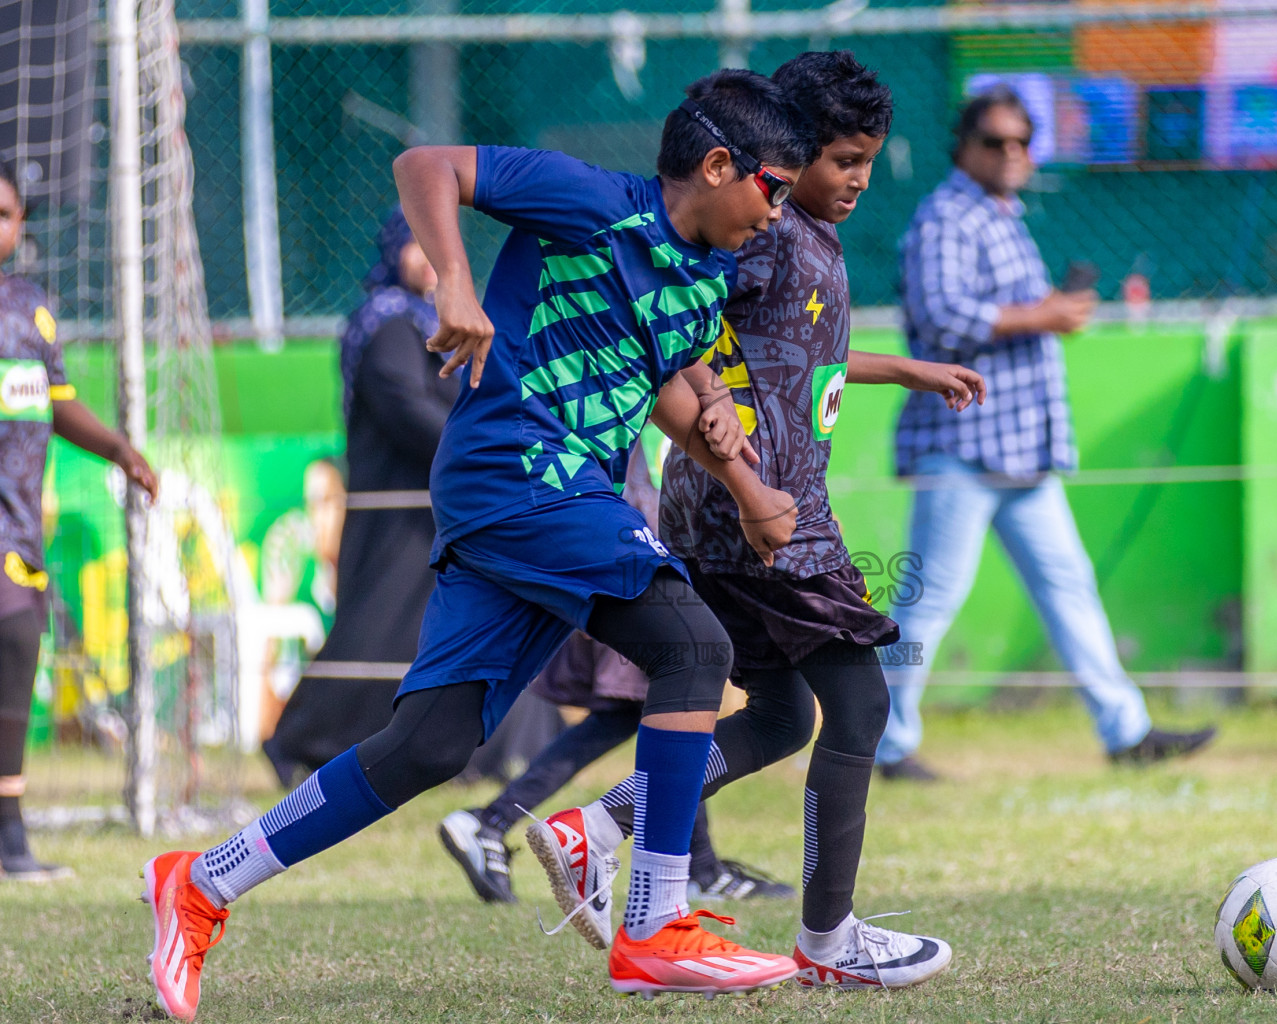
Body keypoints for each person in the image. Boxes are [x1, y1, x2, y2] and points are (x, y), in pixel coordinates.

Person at [138, 68, 820, 1021]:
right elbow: (426, 165)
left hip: (545, 496)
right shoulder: (590, 198)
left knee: (428, 744)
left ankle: (201, 881)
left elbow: (667, 381)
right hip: (521, 472)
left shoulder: (703, 274)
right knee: (694, 648)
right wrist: (458, 282)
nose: (780, 214)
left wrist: (746, 488)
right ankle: (653, 922)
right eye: (775, 188)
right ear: (717, 165)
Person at [529, 51, 983, 990]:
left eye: (869, 161)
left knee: (779, 716)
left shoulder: (798, 233)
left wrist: (907, 370)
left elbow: (797, 355)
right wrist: (741, 472)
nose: (856, 180)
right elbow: (677, 334)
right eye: (842, 160)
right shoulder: (767, 232)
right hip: (766, 514)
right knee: (860, 705)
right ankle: (829, 942)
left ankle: (595, 825)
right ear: (791, 155)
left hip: (723, 515)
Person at [876, 87, 1215, 781]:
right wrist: (1044, 314)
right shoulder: (947, 217)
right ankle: (883, 743)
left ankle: (1127, 731)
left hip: (1019, 451)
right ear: (962, 147)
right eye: (996, 141)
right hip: (963, 445)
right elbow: (940, 318)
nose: (1012, 154)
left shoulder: (1000, 214)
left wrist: (1046, 313)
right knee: (929, 602)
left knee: (1070, 587)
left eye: (1023, 141)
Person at [438, 445, 793, 905]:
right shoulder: (651, 393)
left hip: (634, 562)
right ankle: (699, 870)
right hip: (636, 566)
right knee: (679, 708)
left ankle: (491, 821)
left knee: (646, 714)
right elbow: (634, 488)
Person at [0, 159, 158, 880]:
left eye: (3, 214)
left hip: (19, 526)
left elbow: (57, 400)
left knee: (16, 655)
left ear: (20, 227)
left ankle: (9, 837)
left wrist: (119, 449)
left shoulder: (32, 308)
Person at [262, 207, 457, 784]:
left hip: (433, 502)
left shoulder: (437, 320)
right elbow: (403, 404)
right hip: (394, 508)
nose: (428, 261)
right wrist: (468, 448)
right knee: (373, 625)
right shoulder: (387, 324)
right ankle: (297, 739)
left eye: (435, 248)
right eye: (415, 246)